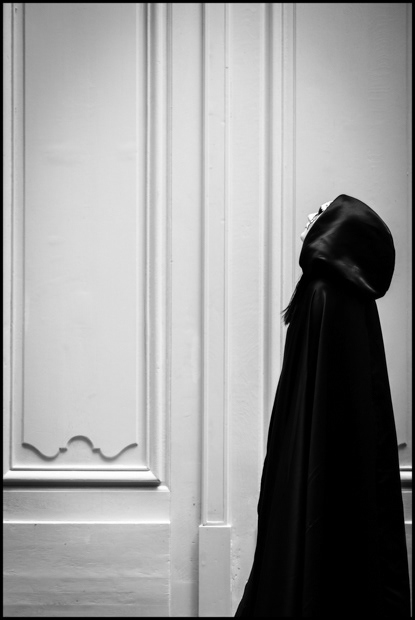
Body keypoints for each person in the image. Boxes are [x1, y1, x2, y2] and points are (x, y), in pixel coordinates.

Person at [235, 194, 411, 617]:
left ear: (339, 229)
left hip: (325, 458)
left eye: (320, 212)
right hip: (333, 457)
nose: (310, 217)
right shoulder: (337, 293)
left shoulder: (327, 294)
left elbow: (331, 399)